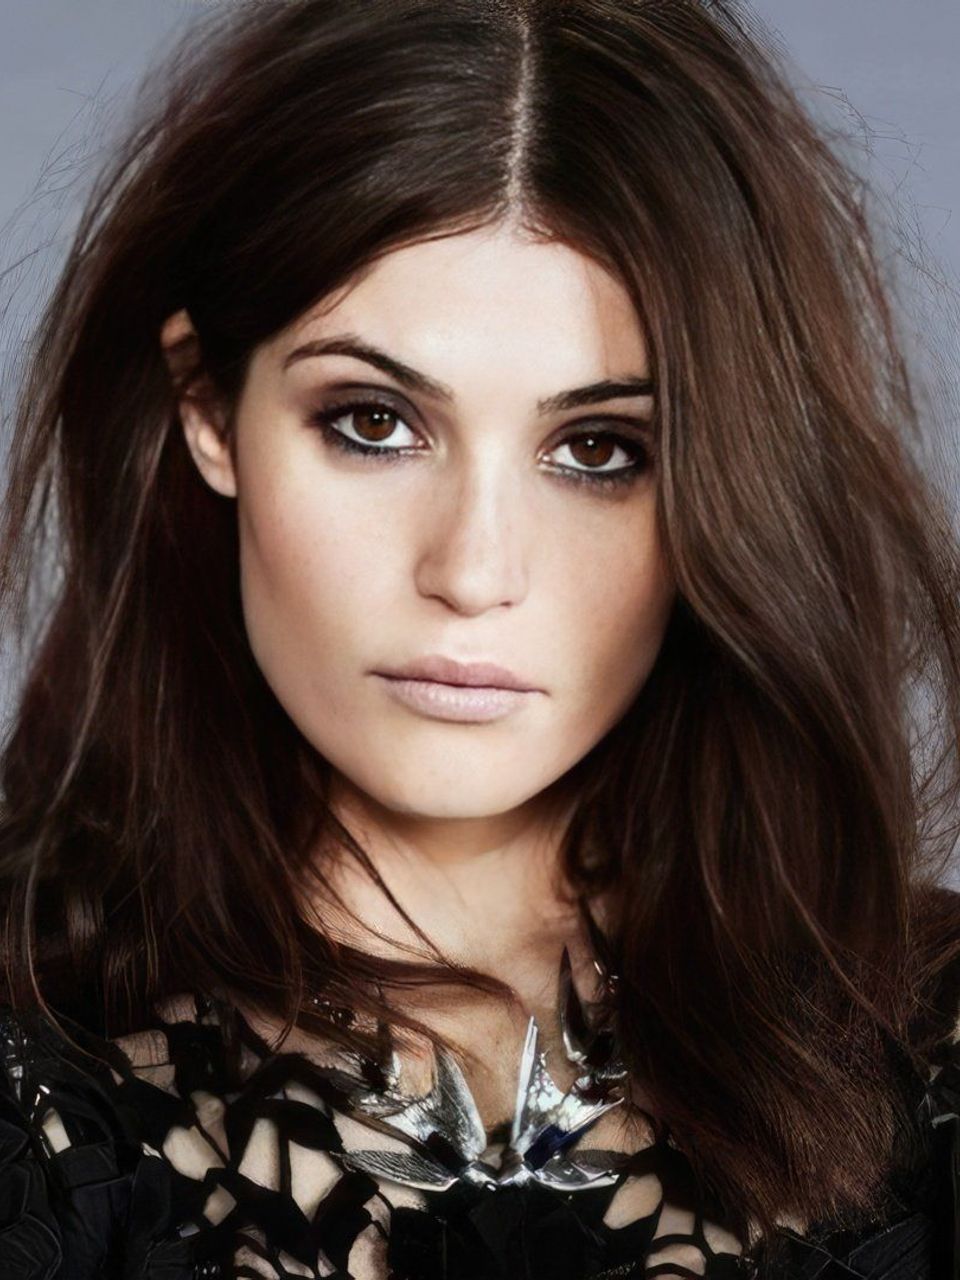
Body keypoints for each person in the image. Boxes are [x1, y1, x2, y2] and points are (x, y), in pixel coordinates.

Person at [1, 0, 959, 1276]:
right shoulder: (33, 1067)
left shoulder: (930, 1053)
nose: (471, 572)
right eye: (374, 422)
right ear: (208, 408)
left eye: (598, 448)